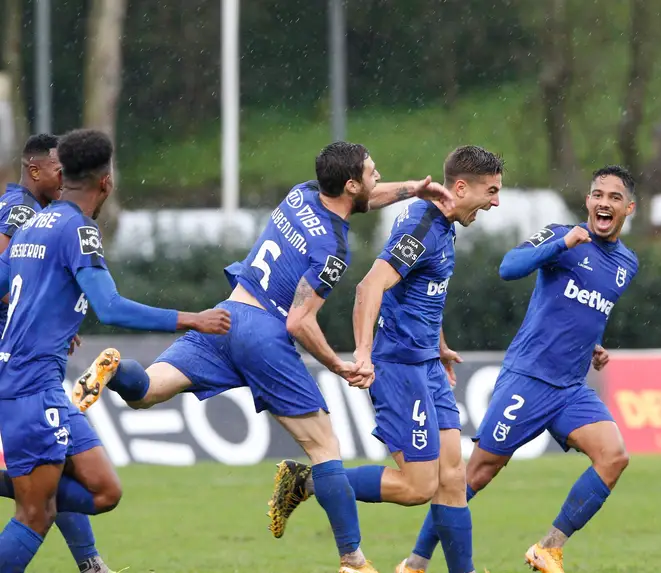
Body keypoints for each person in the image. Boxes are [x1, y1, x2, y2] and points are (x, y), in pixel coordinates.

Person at [69, 141, 456, 573]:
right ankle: (354, 561)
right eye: (372, 171)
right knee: (325, 447)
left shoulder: (303, 193)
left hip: (227, 314)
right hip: (263, 333)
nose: (378, 176)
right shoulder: (333, 250)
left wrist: (414, 189)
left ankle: (116, 369)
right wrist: (338, 364)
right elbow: (299, 323)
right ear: (349, 184)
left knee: (147, 392)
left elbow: (365, 199)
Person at [0, 128, 231, 573]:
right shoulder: (79, 230)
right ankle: (35, 494)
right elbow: (109, 307)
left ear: (63, 173)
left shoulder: (32, 222)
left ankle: (34, 492)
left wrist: (50, 317)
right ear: (106, 182)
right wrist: (192, 319)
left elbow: (8, 283)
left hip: (42, 383)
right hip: (29, 387)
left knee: (105, 492)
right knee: (36, 515)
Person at [269, 145, 504, 573]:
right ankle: (309, 482)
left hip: (426, 364)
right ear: (462, 187)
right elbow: (370, 287)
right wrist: (363, 354)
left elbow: (419, 293)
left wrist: (438, 344)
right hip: (398, 367)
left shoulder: (444, 224)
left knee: (453, 478)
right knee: (419, 487)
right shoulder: (424, 225)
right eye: (491, 191)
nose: (496, 202)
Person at [399, 165, 639, 573]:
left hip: (570, 388)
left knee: (613, 457)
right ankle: (416, 564)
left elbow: (583, 307)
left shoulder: (627, 264)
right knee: (475, 474)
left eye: (614, 198)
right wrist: (562, 243)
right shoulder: (562, 235)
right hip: (528, 378)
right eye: (598, 194)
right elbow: (510, 266)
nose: (604, 203)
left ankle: (549, 547)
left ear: (628, 208)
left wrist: (592, 345)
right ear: (587, 201)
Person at [0, 133, 112, 573]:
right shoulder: (22, 211)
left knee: (56, 465)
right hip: (17, 361)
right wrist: (33, 317)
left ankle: (90, 563)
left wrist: (49, 315)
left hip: (26, 357)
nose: (63, 174)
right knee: (41, 492)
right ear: (35, 171)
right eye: (55, 167)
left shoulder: (37, 214)